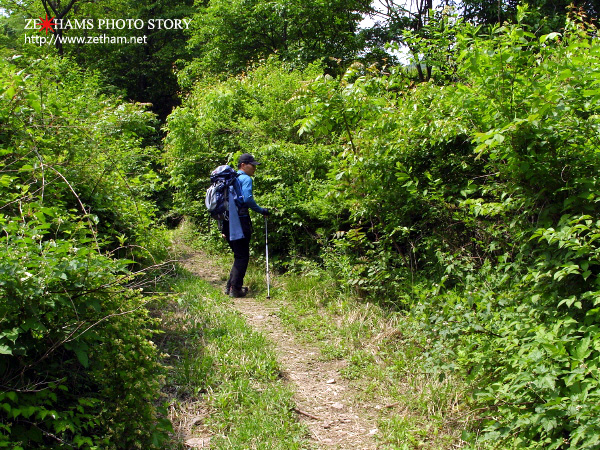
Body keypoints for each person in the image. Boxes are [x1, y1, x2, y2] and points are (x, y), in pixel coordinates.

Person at [222, 153, 269, 298]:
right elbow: (248, 199)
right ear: (243, 165)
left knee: (239, 255)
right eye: (252, 165)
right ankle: (235, 290)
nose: (254, 168)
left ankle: (230, 287)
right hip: (240, 222)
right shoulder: (245, 179)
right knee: (242, 256)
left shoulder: (230, 179)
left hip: (227, 222)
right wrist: (262, 210)